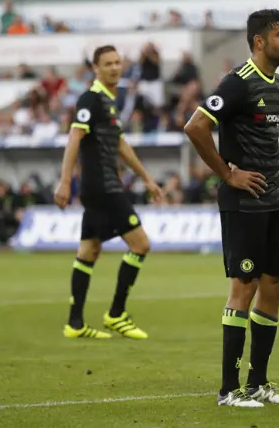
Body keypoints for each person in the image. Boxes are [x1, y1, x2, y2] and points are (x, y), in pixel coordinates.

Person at [184, 9, 279, 408]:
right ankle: (228, 390)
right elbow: (196, 126)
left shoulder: (276, 82)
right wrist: (228, 175)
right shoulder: (236, 83)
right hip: (243, 204)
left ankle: (258, 383)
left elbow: (261, 134)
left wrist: (274, 173)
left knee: (274, 287)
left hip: (274, 200)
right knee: (243, 289)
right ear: (260, 41)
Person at [54, 45, 163, 340]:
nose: (115, 68)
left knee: (89, 250)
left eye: (118, 63)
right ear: (96, 68)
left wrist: (146, 179)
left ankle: (74, 324)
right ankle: (116, 314)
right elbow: (74, 137)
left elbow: (120, 145)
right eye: (108, 64)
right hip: (103, 186)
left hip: (100, 186)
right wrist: (65, 181)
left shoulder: (110, 101)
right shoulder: (91, 98)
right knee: (140, 244)